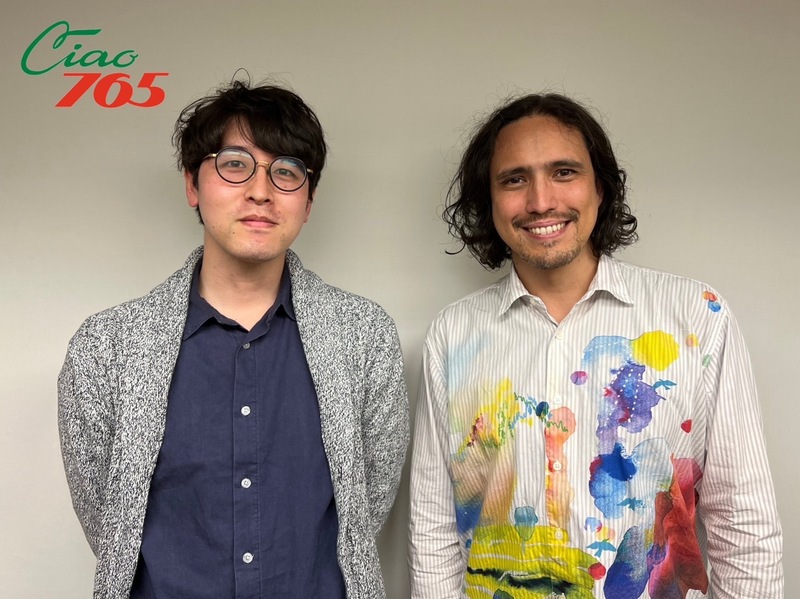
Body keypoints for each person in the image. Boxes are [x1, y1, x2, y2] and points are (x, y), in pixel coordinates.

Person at [408, 93, 783, 598]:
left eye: (564, 172)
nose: (541, 201)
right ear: (489, 200)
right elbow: (434, 529)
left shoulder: (698, 315)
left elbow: (744, 524)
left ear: (600, 187)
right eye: (514, 179)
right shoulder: (454, 335)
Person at [58, 80, 409, 599]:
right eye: (235, 164)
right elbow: (110, 523)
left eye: (286, 171)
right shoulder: (105, 347)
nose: (261, 191)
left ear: (309, 201)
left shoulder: (365, 336)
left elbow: (365, 509)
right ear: (192, 185)